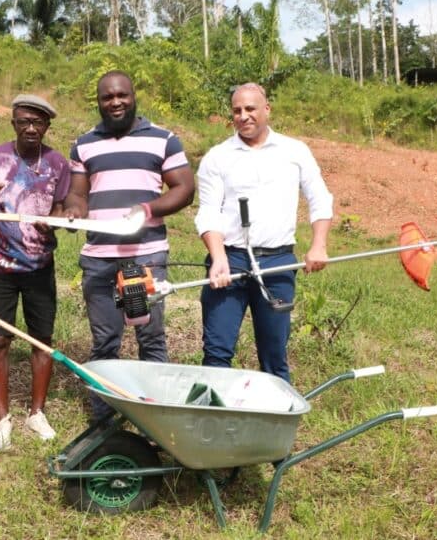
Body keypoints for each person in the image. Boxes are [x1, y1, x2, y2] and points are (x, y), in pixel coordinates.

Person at [63, 70, 195, 419]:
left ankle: (156, 417)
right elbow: (77, 193)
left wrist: (147, 209)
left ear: (133, 95)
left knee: (150, 338)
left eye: (122, 95)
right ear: (99, 101)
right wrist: (75, 211)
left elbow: (184, 189)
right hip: (99, 259)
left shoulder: (164, 140)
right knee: (105, 341)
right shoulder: (84, 143)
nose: (116, 102)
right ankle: (104, 420)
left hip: (145, 256)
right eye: (108, 97)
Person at [194, 83, 334, 383]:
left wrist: (318, 245)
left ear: (266, 109)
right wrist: (218, 258)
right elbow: (208, 212)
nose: (243, 116)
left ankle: (275, 423)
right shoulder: (217, 157)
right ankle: (214, 422)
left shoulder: (295, 151)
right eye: (237, 111)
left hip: (278, 262)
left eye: (250, 109)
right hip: (230, 261)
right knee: (216, 353)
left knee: (274, 355)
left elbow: (320, 198)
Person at [0, 94, 70, 450]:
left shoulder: (58, 163)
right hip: (0, 266)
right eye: (24, 121)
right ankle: (2, 418)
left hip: (40, 265)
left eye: (38, 122)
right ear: (13, 122)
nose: (31, 128)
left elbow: (59, 209)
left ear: (46, 126)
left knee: (41, 341)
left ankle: (36, 413)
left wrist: (55, 223)